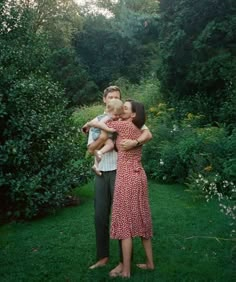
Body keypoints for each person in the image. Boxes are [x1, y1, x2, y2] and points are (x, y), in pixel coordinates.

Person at [82, 86, 152, 270]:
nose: (114, 101)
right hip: (103, 172)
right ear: (105, 100)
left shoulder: (127, 118)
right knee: (100, 216)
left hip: (122, 172)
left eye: (117, 98)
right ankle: (102, 257)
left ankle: (123, 262)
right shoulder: (101, 119)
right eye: (111, 97)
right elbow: (90, 149)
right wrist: (103, 138)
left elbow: (147, 133)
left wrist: (135, 142)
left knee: (122, 216)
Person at [87, 99, 123, 176]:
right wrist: (108, 129)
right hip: (98, 133)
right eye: (116, 115)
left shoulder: (112, 117)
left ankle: (96, 166)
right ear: (109, 112)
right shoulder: (107, 117)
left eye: (119, 115)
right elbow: (100, 124)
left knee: (100, 151)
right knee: (110, 145)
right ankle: (100, 152)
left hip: (101, 135)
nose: (117, 117)